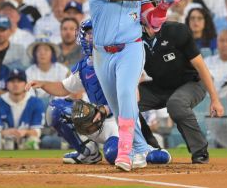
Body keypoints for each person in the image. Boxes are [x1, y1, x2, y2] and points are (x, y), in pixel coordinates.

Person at [89, 0, 189, 171]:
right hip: (103, 54)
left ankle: (125, 153)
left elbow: (152, 23)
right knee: (118, 106)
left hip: (130, 49)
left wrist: (166, 3)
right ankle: (142, 148)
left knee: (126, 95)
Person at [26, 19, 170, 164]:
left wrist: (106, 109)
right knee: (55, 110)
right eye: (88, 33)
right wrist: (43, 84)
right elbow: (64, 88)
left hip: (119, 123)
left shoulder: (120, 60)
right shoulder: (83, 66)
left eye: (95, 32)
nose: (91, 36)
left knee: (113, 154)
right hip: (94, 120)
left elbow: (134, 96)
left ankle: (145, 151)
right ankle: (88, 153)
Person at [139, 4, 224, 164]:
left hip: (191, 82)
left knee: (176, 103)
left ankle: (199, 151)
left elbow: (200, 66)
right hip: (159, 86)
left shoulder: (177, 31)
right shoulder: (134, 38)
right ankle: (148, 148)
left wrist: (215, 99)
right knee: (126, 102)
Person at [0, 69, 44, 150]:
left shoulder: (36, 102)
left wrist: (25, 132)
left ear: (26, 84)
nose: (16, 84)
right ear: (7, 84)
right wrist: (7, 132)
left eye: (19, 81)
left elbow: (37, 132)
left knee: (33, 140)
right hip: (5, 139)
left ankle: (32, 162)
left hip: (25, 138)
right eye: (12, 81)